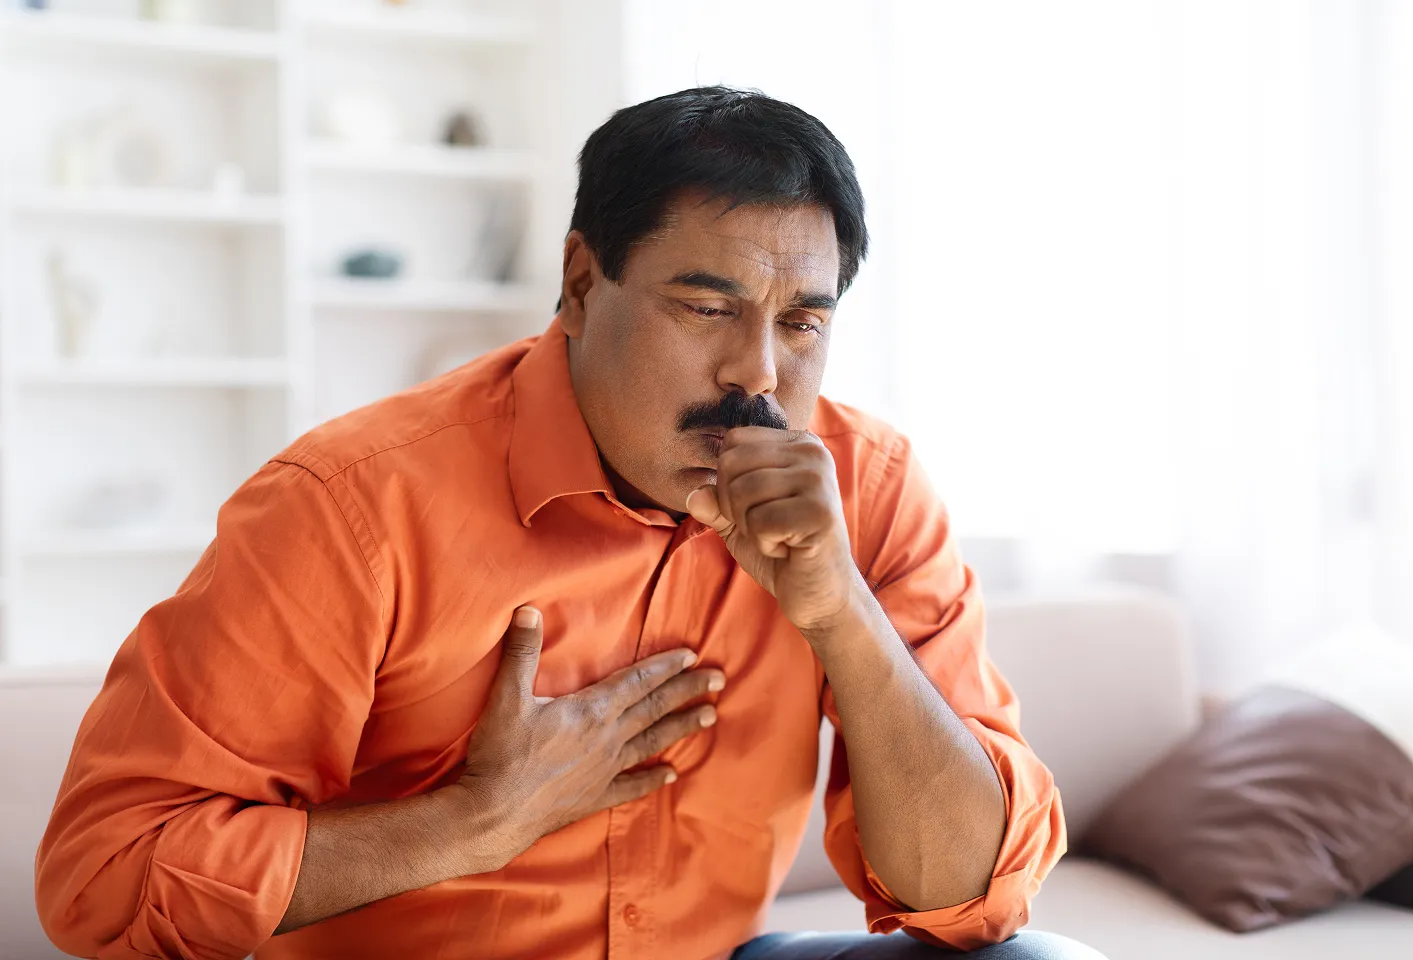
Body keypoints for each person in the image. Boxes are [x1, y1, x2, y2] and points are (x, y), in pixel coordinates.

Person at [35, 87, 1103, 960]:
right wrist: (466, 823)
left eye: (801, 322)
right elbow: (104, 878)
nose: (757, 374)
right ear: (582, 282)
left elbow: (976, 897)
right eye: (708, 306)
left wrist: (840, 617)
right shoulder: (351, 504)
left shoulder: (867, 490)